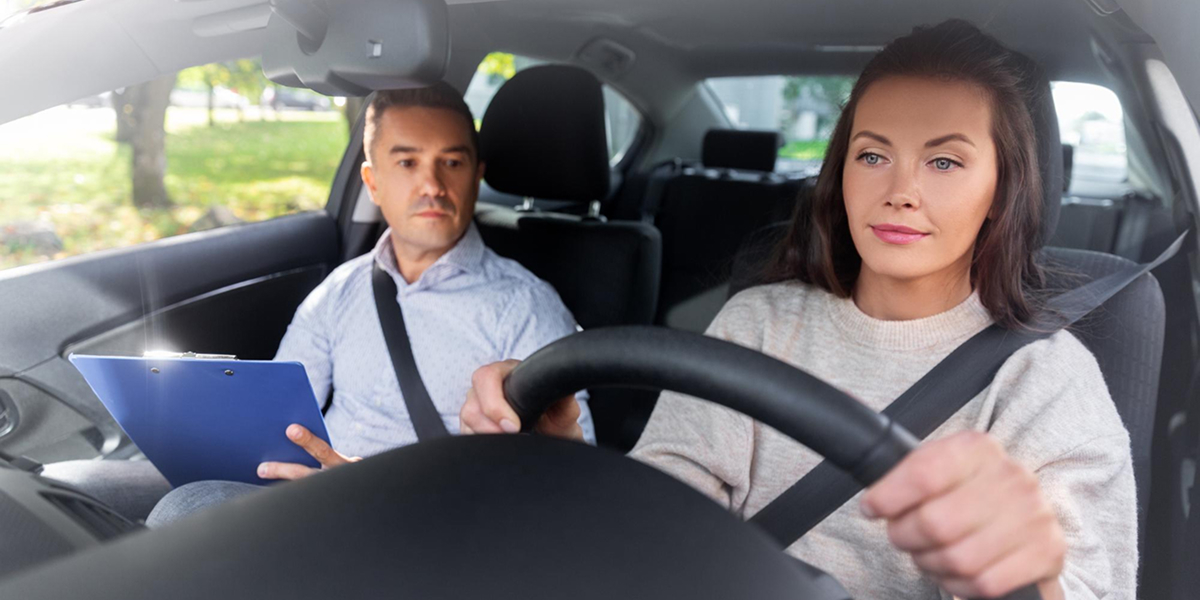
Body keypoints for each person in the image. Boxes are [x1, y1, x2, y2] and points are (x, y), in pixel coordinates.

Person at [460, 20, 1134, 600]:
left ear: (1003, 190)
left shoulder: (1046, 382)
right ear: (841, 172)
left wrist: (1027, 579)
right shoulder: (760, 324)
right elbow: (655, 531)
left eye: (946, 163)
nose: (900, 191)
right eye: (873, 154)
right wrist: (563, 453)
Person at [147, 83, 594, 524]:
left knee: (183, 512)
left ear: (476, 176)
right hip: (307, 498)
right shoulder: (341, 289)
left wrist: (372, 487)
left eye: (451, 162)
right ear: (372, 182)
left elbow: (578, 470)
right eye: (407, 162)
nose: (432, 185)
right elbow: (276, 416)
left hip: (433, 522)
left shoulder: (525, 305)